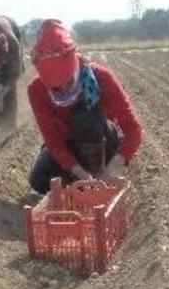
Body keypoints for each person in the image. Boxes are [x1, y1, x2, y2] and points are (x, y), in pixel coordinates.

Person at [27, 19, 143, 193]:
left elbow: (133, 129)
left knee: (85, 119)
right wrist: (81, 175)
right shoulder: (37, 90)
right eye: (56, 88)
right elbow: (53, 141)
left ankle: (97, 173)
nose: (64, 89)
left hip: (102, 141)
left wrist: (112, 169)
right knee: (39, 181)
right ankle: (77, 183)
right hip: (68, 145)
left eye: (67, 82)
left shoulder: (101, 77)